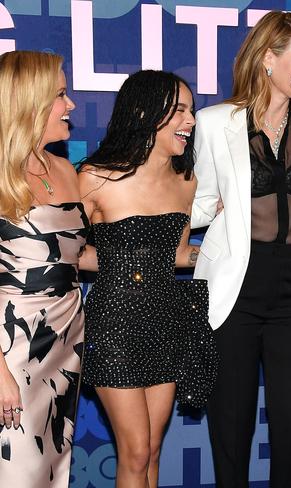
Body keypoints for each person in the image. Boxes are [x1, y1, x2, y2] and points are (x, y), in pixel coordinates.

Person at [190, 11, 291, 488]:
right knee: (230, 422)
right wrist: (216, 207)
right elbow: (195, 206)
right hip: (236, 286)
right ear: (268, 58)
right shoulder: (213, 123)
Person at [78, 70, 202, 488]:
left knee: (150, 451)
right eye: (180, 110)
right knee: (133, 450)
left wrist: (229, 247)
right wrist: (123, 262)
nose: (191, 121)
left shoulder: (186, 182)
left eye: (192, 111)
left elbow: (179, 255)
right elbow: (68, 251)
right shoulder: (96, 176)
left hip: (166, 321)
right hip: (114, 324)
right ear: (146, 112)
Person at [0, 51, 86, 487]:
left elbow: (72, 256)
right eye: (60, 95)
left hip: (66, 341)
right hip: (13, 348)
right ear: (28, 102)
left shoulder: (64, 170)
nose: (70, 105)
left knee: (52, 468)